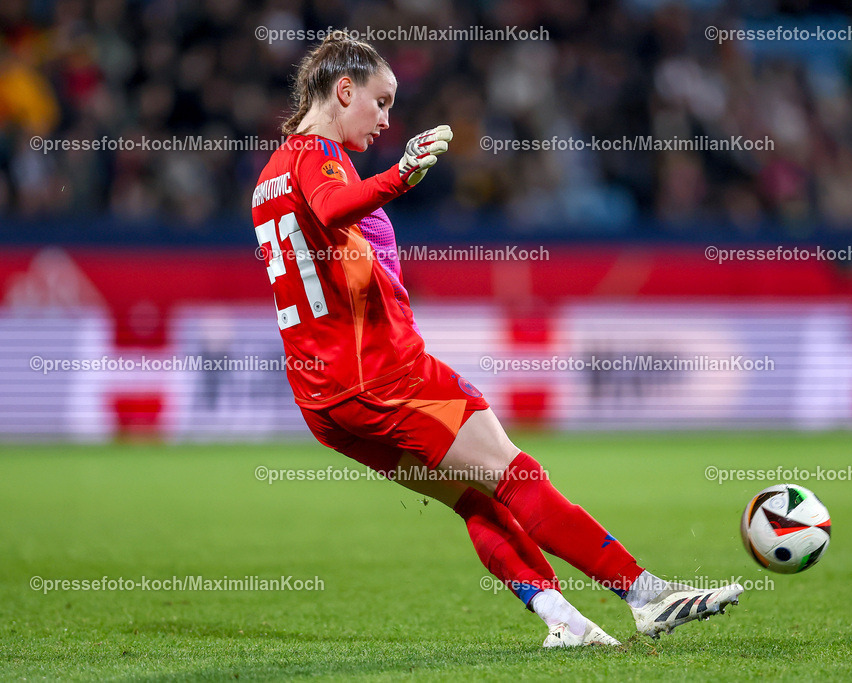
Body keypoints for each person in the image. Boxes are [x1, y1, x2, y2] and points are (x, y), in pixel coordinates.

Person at [251, 35, 743, 647]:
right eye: (379, 102)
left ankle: (564, 624)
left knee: (473, 497)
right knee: (516, 475)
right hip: (382, 374)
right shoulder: (318, 155)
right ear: (343, 90)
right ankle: (645, 595)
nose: (384, 120)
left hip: (324, 402)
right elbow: (332, 207)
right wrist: (402, 175)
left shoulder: (268, 175)